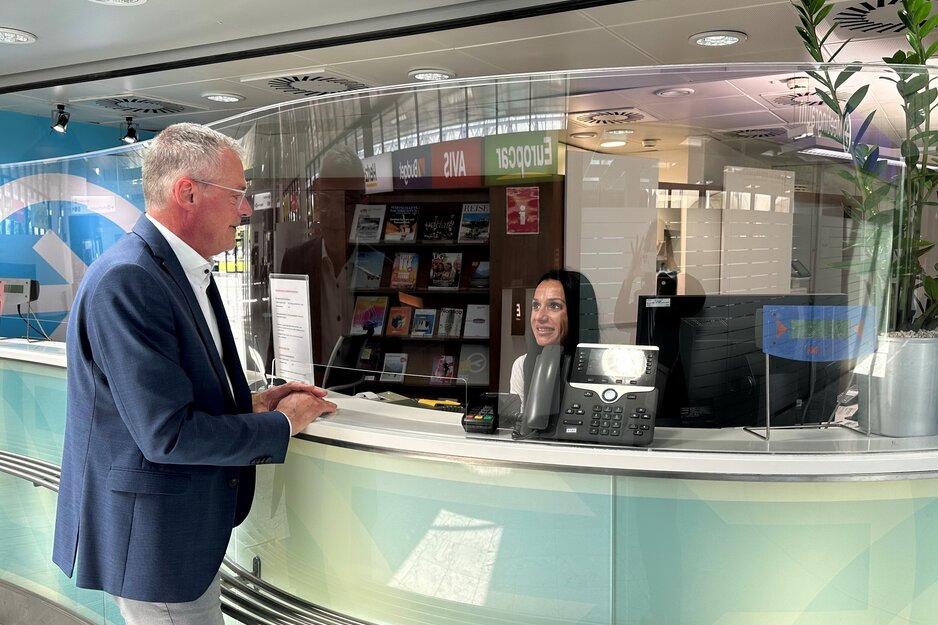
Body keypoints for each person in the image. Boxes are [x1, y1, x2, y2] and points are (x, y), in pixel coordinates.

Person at [52, 123, 337, 625]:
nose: (246, 210)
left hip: (176, 537)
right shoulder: (131, 280)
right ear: (188, 192)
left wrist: (248, 404)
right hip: (156, 545)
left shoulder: (178, 272)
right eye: (237, 195)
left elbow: (164, 399)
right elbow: (167, 434)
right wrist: (283, 423)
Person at [277, 144, 366, 373]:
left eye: (345, 202)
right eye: (328, 199)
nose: (336, 213)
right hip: (312, 393)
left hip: (369, 394)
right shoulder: (295, 262)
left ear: (361, 204)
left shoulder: (381, 265)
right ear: (317, 198)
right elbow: (282, 339)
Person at [509, 269, 600, 405]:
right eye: (536, 305)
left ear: (577, 314)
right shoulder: (522, 365)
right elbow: (518, 423)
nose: (539, 316)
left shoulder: (601, 369)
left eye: (554, 306)